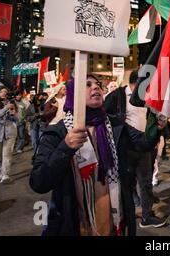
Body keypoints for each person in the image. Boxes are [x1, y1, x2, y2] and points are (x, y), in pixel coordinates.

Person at [30, 75, 152, 236]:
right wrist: (65, 148)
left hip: (114, 225)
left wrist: (157, 123)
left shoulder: (115, 125)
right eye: (87, 84)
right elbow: (39, 182)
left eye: (98, 84)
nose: (96, 87)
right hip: (77, 227)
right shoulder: (57, 132)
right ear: (73, 94)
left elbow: (143, 142)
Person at [104, 69, 166, 228]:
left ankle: (147, 216)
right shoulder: (117, 96)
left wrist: (158, 129)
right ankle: (125, 215)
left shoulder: (148, 99)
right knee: (125, 183)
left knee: (146, 183)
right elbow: (104, 116)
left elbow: (155, 118)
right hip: (124, 148)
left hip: (144, 147)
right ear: (136, 82)